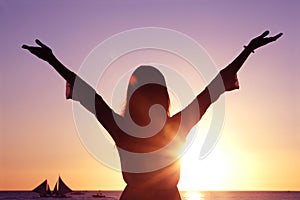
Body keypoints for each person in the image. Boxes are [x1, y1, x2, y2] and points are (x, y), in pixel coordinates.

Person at [22, 30, 282, 200]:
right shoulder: (175, 124)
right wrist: (248, 50)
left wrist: (52, 60)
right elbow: (214, 88)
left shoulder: (125, 127)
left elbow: (87, 94)